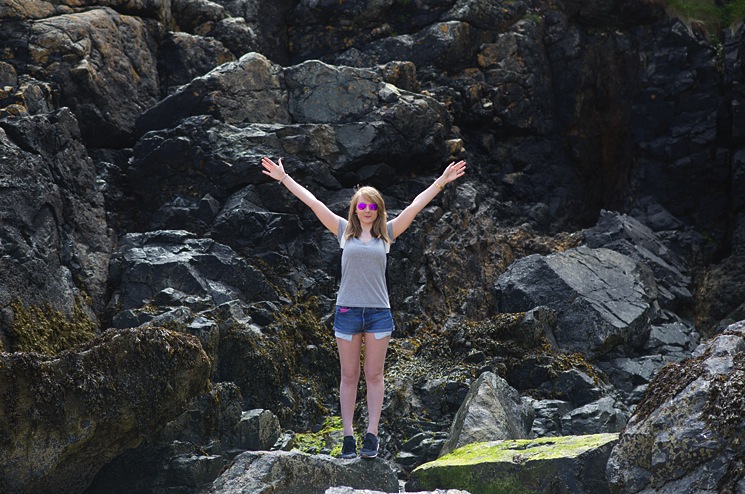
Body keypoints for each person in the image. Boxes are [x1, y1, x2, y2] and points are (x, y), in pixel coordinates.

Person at [260, 156, 466, 459]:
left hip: (379, 314)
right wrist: (284, 178)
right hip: (347, 312)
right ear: (355, 209)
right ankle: (347, 438)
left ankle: (371, 435)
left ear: (378, 210)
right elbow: (314, 202)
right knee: (348, 376)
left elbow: (414, 207)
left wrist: (441, 181)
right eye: (362, 205)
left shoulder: (387, 234)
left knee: (374, 376)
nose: (367, 210)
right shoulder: (344, 231)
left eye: (372, 206)